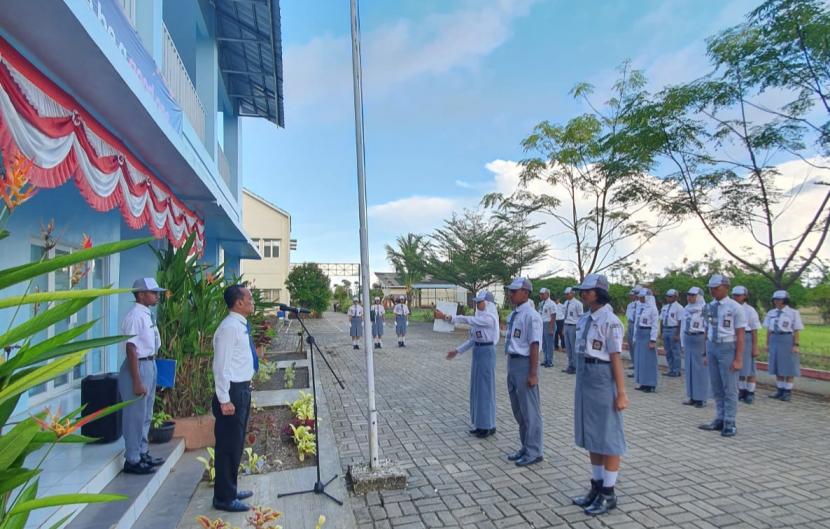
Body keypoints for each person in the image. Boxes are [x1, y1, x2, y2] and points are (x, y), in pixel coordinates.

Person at [570, 274, 628, 516]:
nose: (584, 294)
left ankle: (608, 492)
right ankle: (596, 486)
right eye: (582, 290)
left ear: (600, 293)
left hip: (603, 377)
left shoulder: (610, 321)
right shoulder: (585, 319)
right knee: (592, 433)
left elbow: (615, 357)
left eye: (588, 291)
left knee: (609, 436)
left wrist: (622, 392)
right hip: (585, 376)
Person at [211, 285, 257, 512]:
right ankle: (223, 498)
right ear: (238, 303)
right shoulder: (230, 328)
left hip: (241, 390)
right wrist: (224, 398)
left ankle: (229, 489)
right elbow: (221, 366)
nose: (252, 300)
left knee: (235, 445)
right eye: (249, 297)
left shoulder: (239, 326)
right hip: (231, 394)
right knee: (228, 447)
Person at [118, 278, 166, 475]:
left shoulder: (147, 315)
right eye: (152, 292)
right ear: (140, 294)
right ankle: (132, 458)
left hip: (149, 363)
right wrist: (137, 380)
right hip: (137, 366)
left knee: (146, 413)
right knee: (134, 415)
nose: (156, 295)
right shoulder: (134, 317)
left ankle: (142, 451)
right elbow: (131, 348)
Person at [437, 290, 499, 438]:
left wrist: (447, 317)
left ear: (488, 303)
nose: (477, 304)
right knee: (477, 389)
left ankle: (488, 425)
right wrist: (457, 351)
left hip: (486, 352)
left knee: (485, 389)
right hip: (478, 352)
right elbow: (473, 339)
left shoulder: (489, 318)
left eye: (480, 302)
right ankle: (480, 423)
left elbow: (467, 320)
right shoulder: (480, 317)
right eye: (476, 302)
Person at [698, 274, 746, 437]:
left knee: (730, 387)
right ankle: (720, 417)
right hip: (712, 345)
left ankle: (730, 421)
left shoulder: (735, 307)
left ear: (726, 287)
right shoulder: (708, 306)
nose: (713, 292)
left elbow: (740, 334)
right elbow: (706, 329)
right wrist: (705, 352)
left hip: (727, 345)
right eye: (711, 289)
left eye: (716, 288)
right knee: (717, 385)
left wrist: (738, 358)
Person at [504, 277, 544, 467]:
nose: (510, 294)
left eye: (514, 291)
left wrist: (533, 373)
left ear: (525, 293)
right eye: (510, 291)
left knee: (530, 411)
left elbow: (534, 344)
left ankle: (534, 451)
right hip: (513, 363)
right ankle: (525, 446)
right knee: (519, 410)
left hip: (525, 364)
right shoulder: (516, 314)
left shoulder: (531, 315)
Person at [763, 290, 804, 402]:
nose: (777, 302)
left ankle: (787, 391)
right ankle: (780, 389)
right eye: (775, 299)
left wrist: (795, 344)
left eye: (779, 299)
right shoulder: (771, 313)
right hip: (775, 339)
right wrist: (767, 344)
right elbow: (769, 330)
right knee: (777, 365)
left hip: (787, 339)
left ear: (785, 300)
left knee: (789, 366)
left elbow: (796, 330)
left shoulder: (793, 313)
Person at [680, 287, 709, 408]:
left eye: (692, 295)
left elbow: (708, 327)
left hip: (700, 338)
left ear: (699, 296)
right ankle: (692, 395)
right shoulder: (686, 309)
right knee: (690, 368)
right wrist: (682, 343)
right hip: (688, 338)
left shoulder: (705, 309)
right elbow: (682, 326)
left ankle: (701, 398)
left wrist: (706, 345)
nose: (689, 297)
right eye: (688, 295)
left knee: (700, 369)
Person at [732, 286, 761, 404]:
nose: (736, 297)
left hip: (747, 336)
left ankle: (750, 392)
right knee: (739, 367)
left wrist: (755, 346)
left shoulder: (750, 310)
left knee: (749, 367)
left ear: (745, 296)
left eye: (738, 295)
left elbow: (754, 329)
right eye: (734, 295)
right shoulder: (731, 308)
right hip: (734, 336)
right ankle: (741, 390)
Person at [633, 288, 659, 393]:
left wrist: (653, 339)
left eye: (642, 297)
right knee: (640, 360)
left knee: (649, 360)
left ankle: (651, 384)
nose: (641, 299)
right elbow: (636, 322)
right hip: (640, 333)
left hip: (647, 334)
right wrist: (634, 336)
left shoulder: (653, 308)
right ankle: (643, 382)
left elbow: (654, 325)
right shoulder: (640, 307)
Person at [660, 289, 683, 377]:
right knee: (668, 351)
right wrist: (661, 332)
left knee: (675, 351)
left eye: (670, 296)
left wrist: (678, 334)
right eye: (667, 296)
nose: (668, 298)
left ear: (675, 297)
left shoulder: (679, 308)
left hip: (674, 329)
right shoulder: (664, 307)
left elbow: (680, 321)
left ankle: (676, 370)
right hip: (666, 329)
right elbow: (661, 320)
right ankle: (671, 368)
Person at [562, 286, 583, 374]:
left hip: (574, 326)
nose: (566, 295)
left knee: (573, 347)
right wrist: (563, 327)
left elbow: (581, 317)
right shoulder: (565, 303)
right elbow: (564, 316)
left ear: (573, 293)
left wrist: (579, 328)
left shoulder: (578, 303)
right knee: (568, 347)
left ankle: (575, 366)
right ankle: (570, 365)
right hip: (566, 325)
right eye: (565, 294)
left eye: (568, 294)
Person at [538, 288, 556, 368]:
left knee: (549, 344)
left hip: (549, 323)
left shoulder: (551, 303)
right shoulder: (541, 303)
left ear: (547, 294)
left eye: (543, 294)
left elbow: (553, 316)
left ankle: (550, 361)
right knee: (544, 344)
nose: (541, 295)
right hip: (542, 324)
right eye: (540, 294)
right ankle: (545, 359)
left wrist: (551, 328)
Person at [624, 288, 639, 379]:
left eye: (631, 294)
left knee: (635, 345)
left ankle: (637, 364)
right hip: (630, 323)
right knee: (630, 344)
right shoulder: (630, 305)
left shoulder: (639, 305)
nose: (630, 296)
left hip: (635, 324)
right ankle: (634, 362)